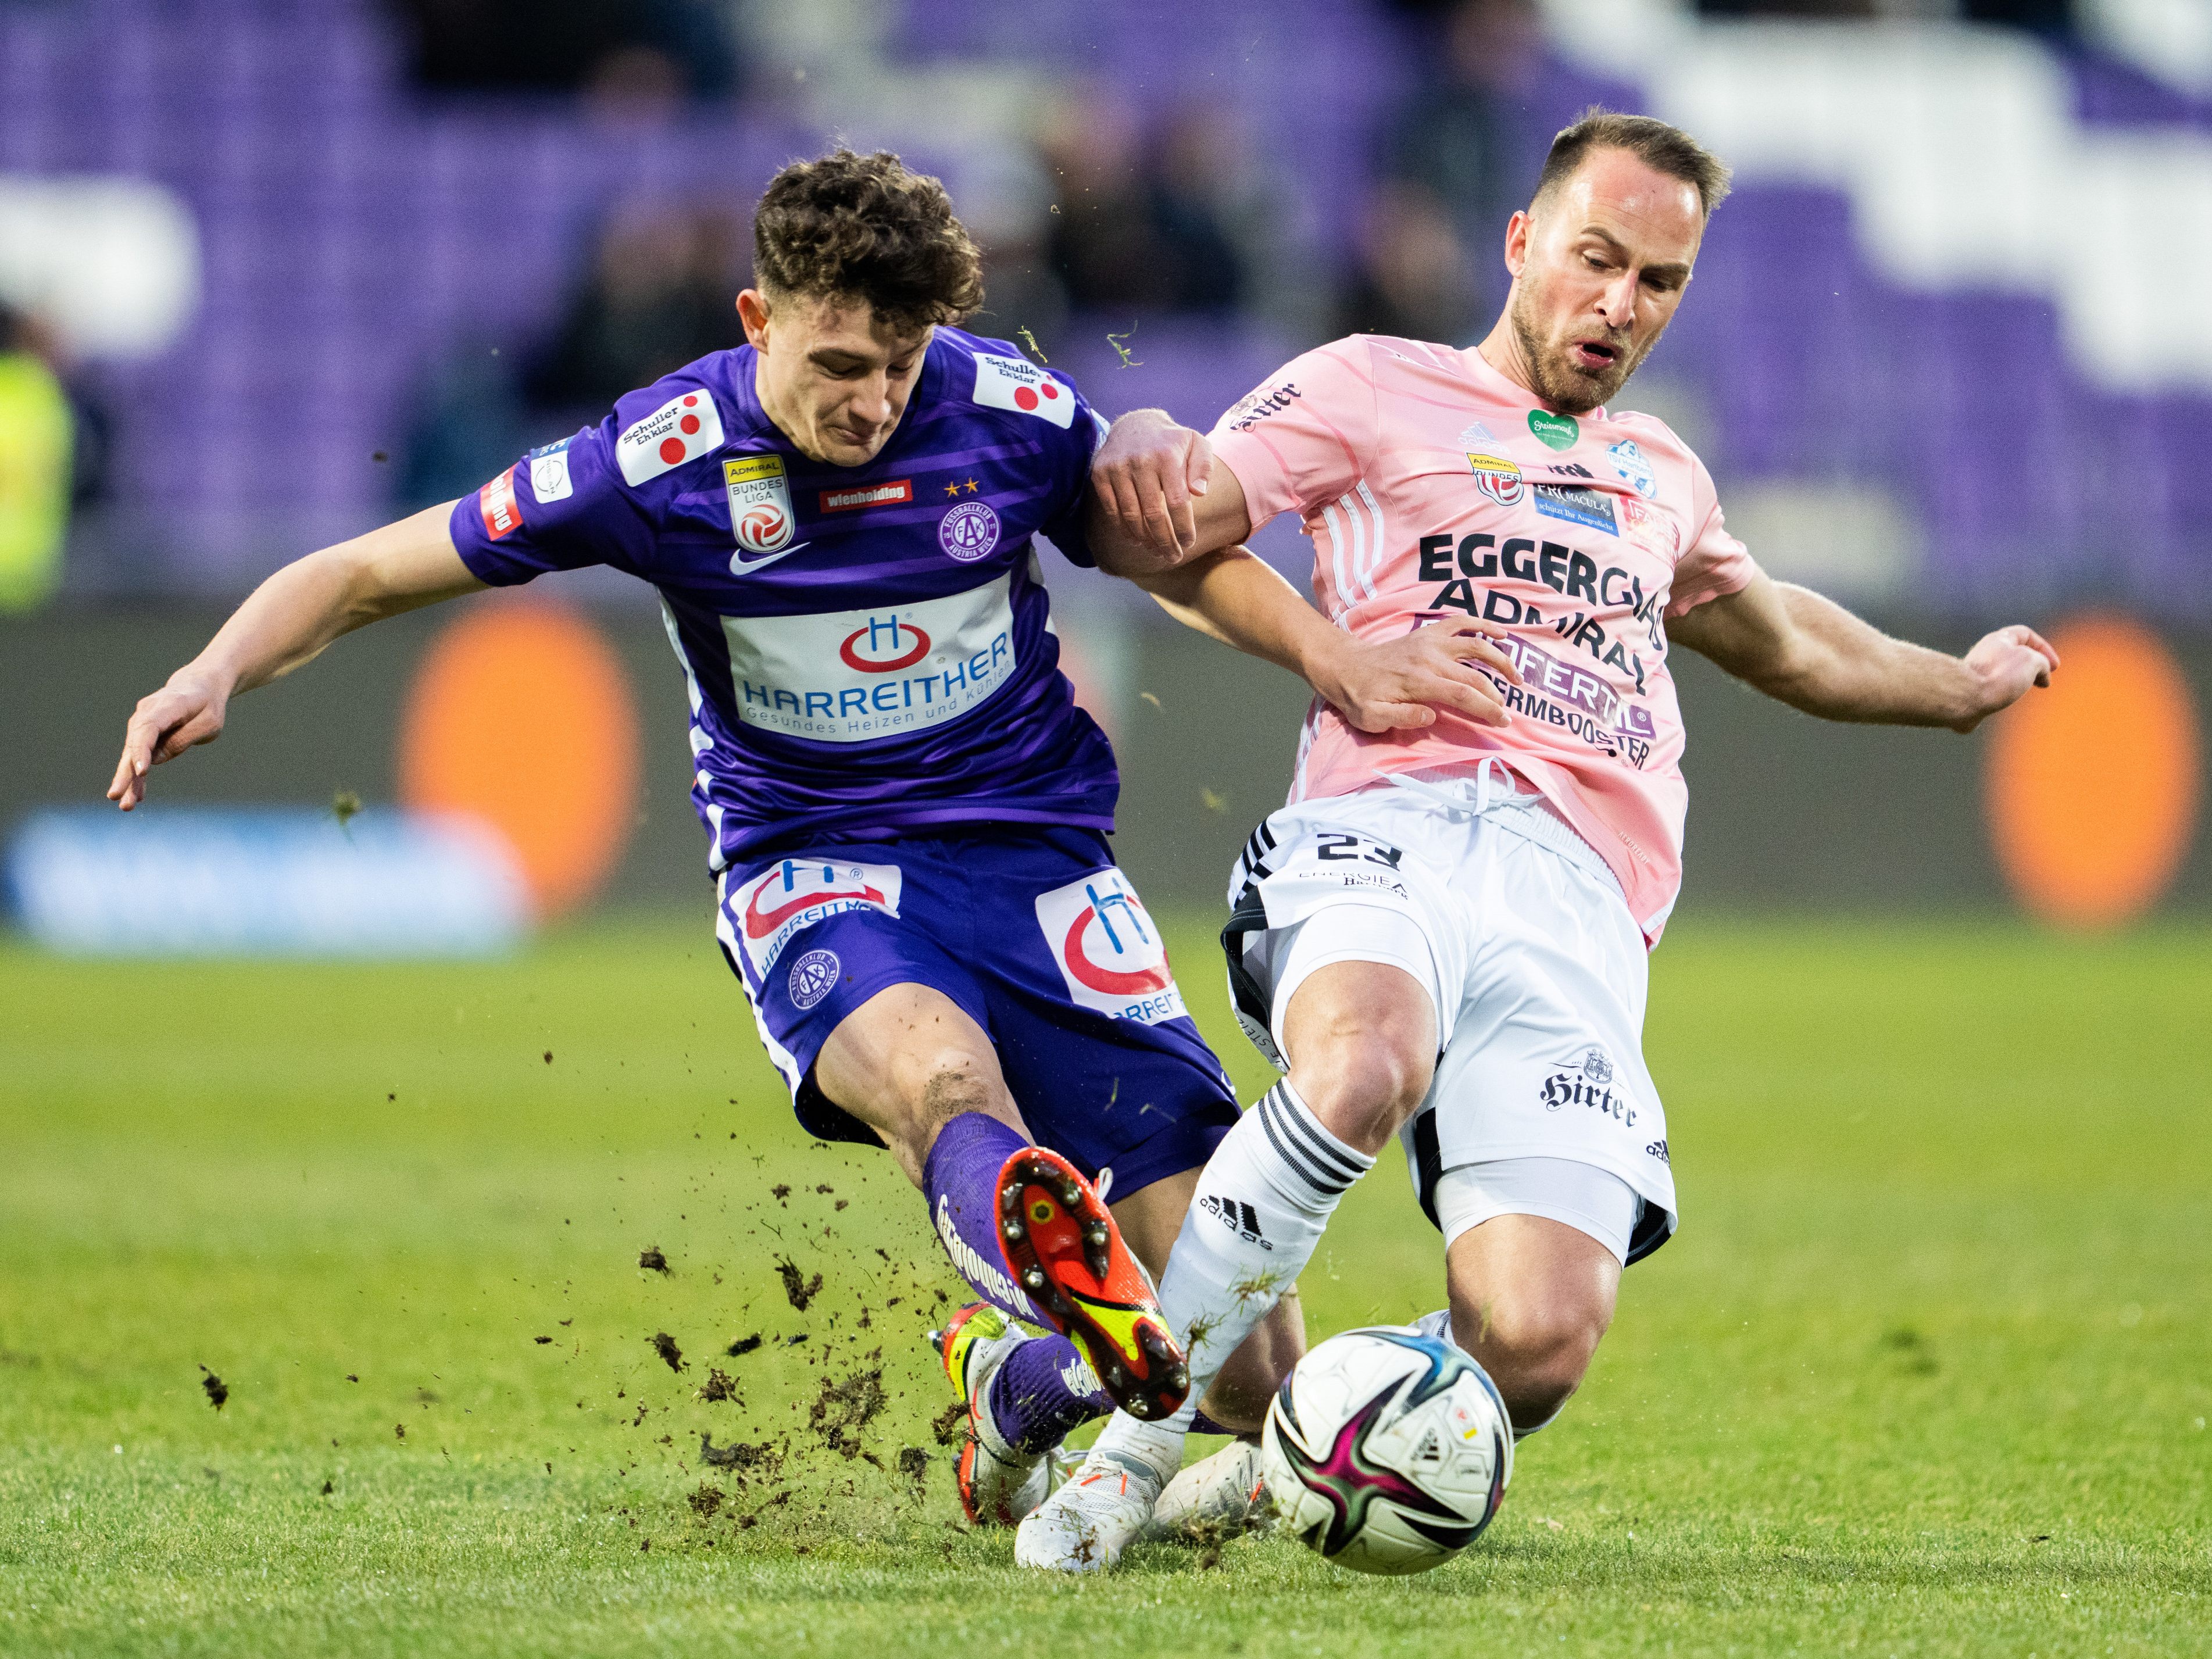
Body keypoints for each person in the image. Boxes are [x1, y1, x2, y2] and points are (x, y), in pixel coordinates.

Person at [103, 148, 1300, 1526]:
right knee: (941, 1086)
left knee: (1252, 1373)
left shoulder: (1008, 413)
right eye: (841, 362)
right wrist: (217, 668)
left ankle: (1020, 1377)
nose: (875, 401)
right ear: (757, 319)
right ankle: (1049, 1273)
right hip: (818, 870)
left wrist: (1177, 463)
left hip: (1041, 868)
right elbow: (368, 571)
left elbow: (1169, 543)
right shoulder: (656, 459)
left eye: (901, 362)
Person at [1019, 108, 2060, 1570]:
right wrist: (1314, 633)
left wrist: (1954, 688)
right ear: (1522, 244)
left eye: (1659, 281)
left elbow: (1782, 638)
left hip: (1580, 899)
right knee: (1368, 1062)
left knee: (1538, 1339)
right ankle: (1121, 1462)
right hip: (1390, 824)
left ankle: (1268, 1468)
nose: (1618, 304)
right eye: (1596, 260)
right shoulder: (1374, 386)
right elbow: (1152, 530)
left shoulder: (1660, 472)